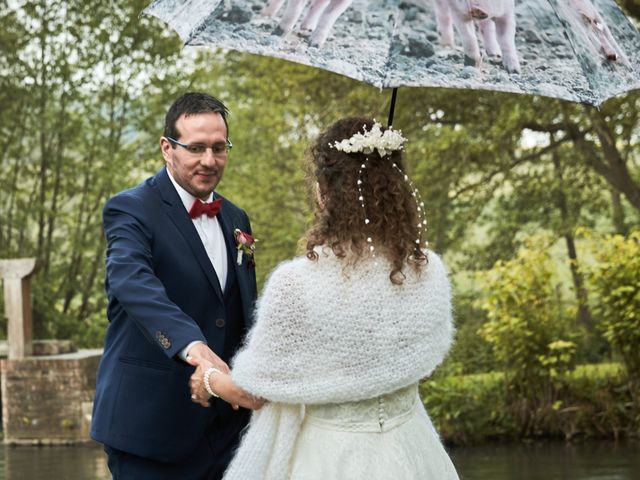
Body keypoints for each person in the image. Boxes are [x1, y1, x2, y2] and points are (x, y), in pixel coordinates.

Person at [189, 116, 460, 479]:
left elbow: (257, 392)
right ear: (396, 188)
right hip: (415, 452)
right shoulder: (429, 272)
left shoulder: (296, 284)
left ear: (324, 191)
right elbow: (409, 367)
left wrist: (208, 380)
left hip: (332, 459)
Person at [91, 92, 263, 480]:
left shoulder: (237, 217)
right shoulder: (130, 208)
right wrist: (194, 346)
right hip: (150, 428)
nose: (209, 160)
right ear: (167, 148)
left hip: (229, 432)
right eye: (196, 148)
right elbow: (132, 282)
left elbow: (241, 312)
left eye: (219, 148)